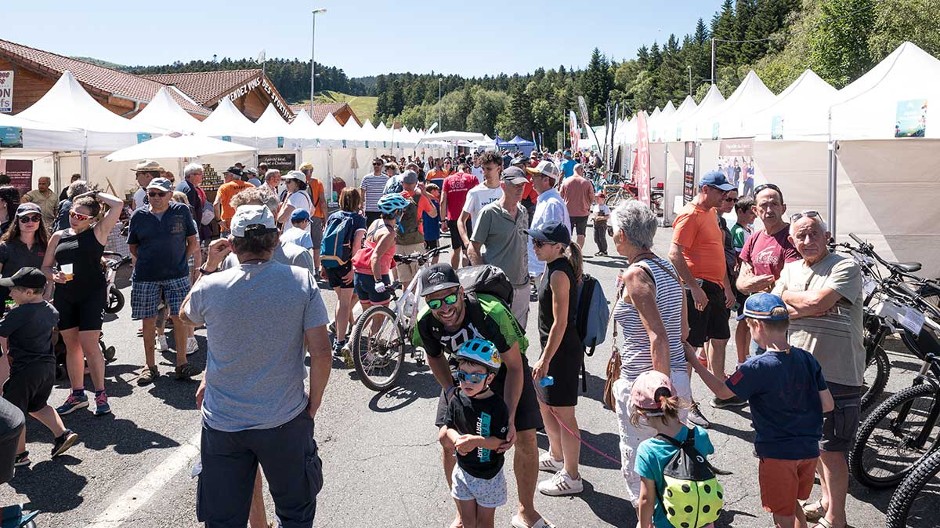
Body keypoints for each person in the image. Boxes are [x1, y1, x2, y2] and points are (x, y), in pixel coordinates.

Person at [181, 205, 330, 528]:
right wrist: (312, 406)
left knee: (223, 518)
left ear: (232, 245)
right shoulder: (300, 280)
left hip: (223, 423)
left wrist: (209, 266)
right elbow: (321, 352)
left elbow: (184, 315)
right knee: (296, 512)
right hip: (284, 418)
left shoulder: (211, 286)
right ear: (275, 240)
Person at [413, 263, 549, 528]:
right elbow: (434, 356)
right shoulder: (426, 321)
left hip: (505, 371)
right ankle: (462, 514)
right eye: (434, 301)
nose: (445, 307)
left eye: (450, 297)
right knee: (448, 439)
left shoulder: (491, 312)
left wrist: (508, 417)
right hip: (463, 374)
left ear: (461, 293)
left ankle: (526, 510)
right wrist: (451, 391)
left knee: (525, 437)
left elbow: (514, 366)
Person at [688, 292, 835, 528]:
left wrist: (695, 362)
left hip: (778, 453)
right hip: (809, 451)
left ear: (756, 325)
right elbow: (828, 404)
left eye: (748, 326)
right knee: (791, 502)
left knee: (782, 514)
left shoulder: (755, 367)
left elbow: (724, 392)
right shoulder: (807, 359)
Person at [773, 212, 864, 528]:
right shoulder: (790, 268)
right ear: (792, 240)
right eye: (801, 236)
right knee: (816, 447)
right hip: (800, 373)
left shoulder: (845, 266)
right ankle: (826, 502)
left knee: (833, 450)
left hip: (837, 373)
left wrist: (790, 301)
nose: (807, 241)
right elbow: (773, 311)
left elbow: (818, 304)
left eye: (814, 234)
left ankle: (836, 519)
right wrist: (797, 303)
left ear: (827, 236)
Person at [609, 200, 692, 506]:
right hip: (674, 377)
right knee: (670, 461)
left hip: (648, 385)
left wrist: (659, 396)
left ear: (622, 235)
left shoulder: (636, 274)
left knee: (641, 464)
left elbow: (657, 335)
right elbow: (682, 331)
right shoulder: (666, 267)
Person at [44, 191, 124, 416]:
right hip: (65, 295)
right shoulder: (58, 235)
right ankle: (77, 394)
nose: (75, 218)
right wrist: (53, 276)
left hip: (91, 295)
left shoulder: (98, 232)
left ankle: (100, 393)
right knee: (72, 346)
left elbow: (117, 205)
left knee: (90, 344)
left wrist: (94, 193)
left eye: (81, 216)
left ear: (92, 219)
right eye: (72, 213)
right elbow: (46, 267)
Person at [668, 171, 738, 424]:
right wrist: (693, 287)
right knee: (691, 346)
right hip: (698, 287)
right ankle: (686, 404)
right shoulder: (690, 214)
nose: (725, 196)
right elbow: (674, 254)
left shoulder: (711, 213)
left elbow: (717, 253)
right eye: (721, 192)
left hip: (715, 286)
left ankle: (720, 392)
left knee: (720, 338)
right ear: (706, 189)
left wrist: (727, 287)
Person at [527, 221, 585, 496]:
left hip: (561, 353)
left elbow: (560, 323)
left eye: (540, 243)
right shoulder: (551, 268)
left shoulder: (559, 274)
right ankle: (557, 455)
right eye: (535, 242)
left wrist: (546, 359)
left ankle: (572, 476)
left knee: (564, 413)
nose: (535, 246)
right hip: (551, 350)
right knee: (544, 403)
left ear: (558, 247)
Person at [0, 268, 79, 467]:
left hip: (25, 369)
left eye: (13, 290)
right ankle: (62, 434)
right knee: (38, 405)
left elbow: (2, 335)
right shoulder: (51, 310)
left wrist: (3, 359)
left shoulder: (19, 313)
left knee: (14, 413)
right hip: (47, 367)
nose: (10, 294)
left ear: (28, 293)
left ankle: (19, 455)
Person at [127, 178, 201, 385]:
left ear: (170, 194)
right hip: (146, 275)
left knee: (179, 317)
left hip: (176, 273)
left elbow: (192, 241)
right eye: (152, 194)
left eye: (160, 193)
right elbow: (133, 246)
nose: (156, 198)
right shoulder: (139, 215)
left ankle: (181, 363)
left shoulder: (181, 211)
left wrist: (182, 261)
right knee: (148, 319)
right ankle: (149, 366)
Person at [629, 370, 715, 528]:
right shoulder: (700, 435)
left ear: (642, 414)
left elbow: (646, 498)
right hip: (702, 520)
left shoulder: (647, 451)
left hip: (667, 522)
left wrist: (643, 524)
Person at [441, 338, 510, 528]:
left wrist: (476, 441)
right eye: (462, 375)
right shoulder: (456, 398)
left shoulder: (497, 406)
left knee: (485, 522)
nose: (467, 382)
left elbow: (500, 443)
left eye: (476, 377)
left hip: (489, 476)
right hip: (463, 472)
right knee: (468, 521)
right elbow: (449, 428)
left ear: (489, 378)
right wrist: (457, 440)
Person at [468, 167, 530, 327]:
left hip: (521, 285)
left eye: (522, 185)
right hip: (498, 289)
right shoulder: (489, 213)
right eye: (515, 185)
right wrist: (484, 280)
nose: (520, 189)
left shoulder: (523, 211)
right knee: (498, 336)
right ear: (503, 186)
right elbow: (473, 248)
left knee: (519, 335)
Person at [320, 188, 366, 357]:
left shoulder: (334, 216)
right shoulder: (358, 219)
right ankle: (340, 341)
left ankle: (347, 328)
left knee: (343, 299)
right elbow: (356, 245)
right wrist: (354, 267)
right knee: (345, 302)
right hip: (346, 263)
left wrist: (322, 265)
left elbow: (325, 239)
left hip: (331, 262)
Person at [351, 194, 409, 313]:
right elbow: (375, 256)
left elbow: (372, 247)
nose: (403, 213)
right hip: (375, 276)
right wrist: (378, 281)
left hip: (360, 275)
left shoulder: (376, 222)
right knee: (378, 320)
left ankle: (355, 332)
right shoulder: (389, 232)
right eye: (402, 210)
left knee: (365, 317)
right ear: (396, 212)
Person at [525, 161, 570, 279]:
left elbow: (552, 241)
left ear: (546, 180)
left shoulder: (552, 204)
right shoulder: (547, 201)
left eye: (535, 176)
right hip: (542, 269)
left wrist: (546, 272)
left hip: (545, 270)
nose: (531, 180)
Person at [0, 204, 48, 311]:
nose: (30, 222)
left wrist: (48, 295)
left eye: (35, 218)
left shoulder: (46, 246)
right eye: (25, 219)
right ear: (17, 221)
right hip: (10, 298)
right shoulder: (5, 246)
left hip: (37, 299)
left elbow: (49, 273)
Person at [458, 153, 503, 250]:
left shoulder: (506, 190)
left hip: (502, 248)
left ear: (498, 169)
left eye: (489, 169)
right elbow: (461, 220)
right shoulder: (475, 192)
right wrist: (467, 243)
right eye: (483, 169)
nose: (485, 173)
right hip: (481, 248)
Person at [730, 195, 756, 364]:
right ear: (741, 211)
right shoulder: (738, 231)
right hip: (742, 281)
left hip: (747, 281)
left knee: (748, 321)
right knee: (743, 320)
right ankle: (741, 358)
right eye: (752, 212)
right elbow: (741, 257)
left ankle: (746, 355)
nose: (755, 215)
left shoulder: (747, 230)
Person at [440, 168, 479, 269]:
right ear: (467, 169)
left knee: (456, 249)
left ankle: (454, 274)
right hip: (468, 217)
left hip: (453, 218)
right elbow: (478, 198)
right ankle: (467, 275)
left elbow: (442, 201)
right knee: (467, 249)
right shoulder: (472, 178)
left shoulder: (448, 180)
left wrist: (443, 221)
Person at [559, 164, 595, 249]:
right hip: (583, 211)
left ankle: (568, 250)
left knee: (568, 233)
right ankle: (578, 252)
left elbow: (561, 196)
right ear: (582, 170)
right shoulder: (586, 182)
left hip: (568, 212)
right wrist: (588, 205)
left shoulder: (566, 181)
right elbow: (592, 197)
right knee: (581, 234)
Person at [300, 163, 328, 270]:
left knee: (302, 243)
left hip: (302, 217)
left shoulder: (298, 183)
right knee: (316, 244)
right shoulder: (318, 183)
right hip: (315, 216)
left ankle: (304, 267)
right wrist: (325, 219)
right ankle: (316, 268)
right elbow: (323, 202)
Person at [175, 163, 211, 244]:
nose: (202, 176)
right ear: (191, 175)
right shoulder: (189, 189)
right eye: (200, 174)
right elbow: (191, 211)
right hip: (189, 229)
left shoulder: (182, 185)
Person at [214, 167, 251, 236]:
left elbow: (216, 204)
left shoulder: (224, 187)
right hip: (248, 224)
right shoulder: (250, 186)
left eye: (226, 175)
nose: (224, 177)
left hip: (229, 225)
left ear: (231, 176)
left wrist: (219, 221)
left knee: (227, 246)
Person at [360, 158, 388, 225]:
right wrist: (361, 206)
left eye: (378, 164)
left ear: (382, 166)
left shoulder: (386, 179)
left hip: (382, 209)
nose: (376, 166)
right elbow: (362, 193)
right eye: (374, 164)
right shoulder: (366, 178)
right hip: (369, 209)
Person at [419, 183, 442, 264]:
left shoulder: (420, 201)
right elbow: (438, 215)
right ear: (432, 191)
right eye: (437, 191)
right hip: (433, 231)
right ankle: (433, 267)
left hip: (423, 231)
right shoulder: (434, 203)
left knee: (425, 252)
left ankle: (427, 267)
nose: (439, 193)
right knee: (436, 252)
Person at [590, 192, 610, 257]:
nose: (597, 200)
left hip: (602, 225)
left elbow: (607, 216)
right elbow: (594, 214)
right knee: (596, 238)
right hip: (596, 224)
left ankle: (604, 251)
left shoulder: (605, 207)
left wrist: (601, 217)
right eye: (596, 198)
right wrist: (593, 218)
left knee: (602, 237)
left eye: (598, 198)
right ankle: (600, 250)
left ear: (603, 199)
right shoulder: (595, 207)